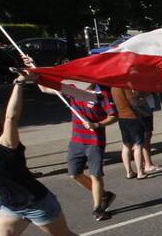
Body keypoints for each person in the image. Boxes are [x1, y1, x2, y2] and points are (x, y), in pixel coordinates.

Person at [0, 62, 106, 236]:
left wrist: (19, 84)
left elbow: (12, 115)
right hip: (11, 206)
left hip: (37, 203)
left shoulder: (6, 144)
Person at [37, 80, 117, 221]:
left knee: (95, 175)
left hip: (95, 142)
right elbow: (44, 88)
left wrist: (97, 124)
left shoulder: (102, 94)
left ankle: (98, 208)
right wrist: (34, 71)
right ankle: (104, 194)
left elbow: (113, 116)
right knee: (74, 174)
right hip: (76, 141)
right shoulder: (73, 90)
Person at [110, 85, 148, 180]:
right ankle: (140, 172)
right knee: (138, 146)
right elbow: (133, 103)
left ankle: (129, 172)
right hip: (133, 117)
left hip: (122, 118)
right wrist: (142, 100)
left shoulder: (113, 87)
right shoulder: (124, 86)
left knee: (126, 145)